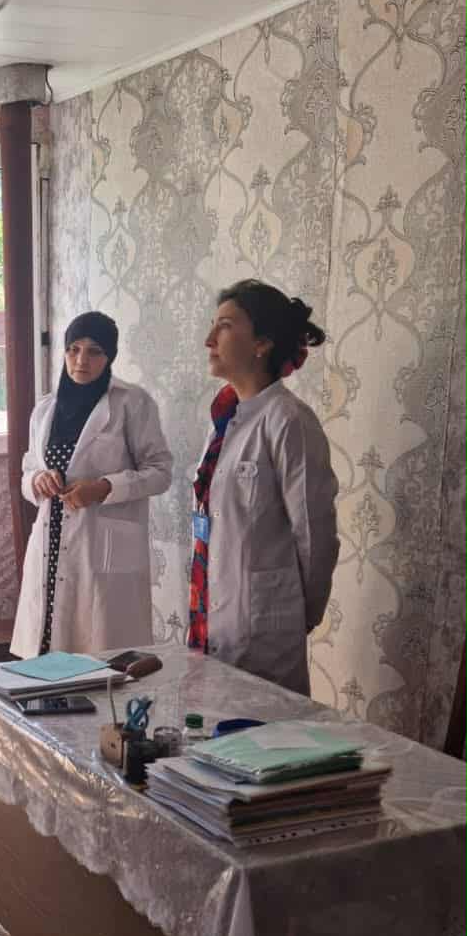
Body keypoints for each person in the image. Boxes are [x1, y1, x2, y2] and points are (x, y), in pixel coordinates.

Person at [189, 279, 338, 696]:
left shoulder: (289, 420)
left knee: (263, 728)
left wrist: (295, 614)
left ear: (262, 343)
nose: (209, 339)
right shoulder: (224, 421)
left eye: (224, 326)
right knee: (209, 724)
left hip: (265, 629)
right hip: (210, 614)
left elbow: (315, 534)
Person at [11, 311, 173, 658]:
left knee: (99, 656)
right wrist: (38, 480)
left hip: (101, 545)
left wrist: (104, 487)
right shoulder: (45, 409)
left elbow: (160, 472)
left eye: (94, 351)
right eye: (73, 349)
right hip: (50, 541)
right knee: (47, 651)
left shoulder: (132, 403)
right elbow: (28, 470)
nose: (81, 360)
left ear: (109, 356)